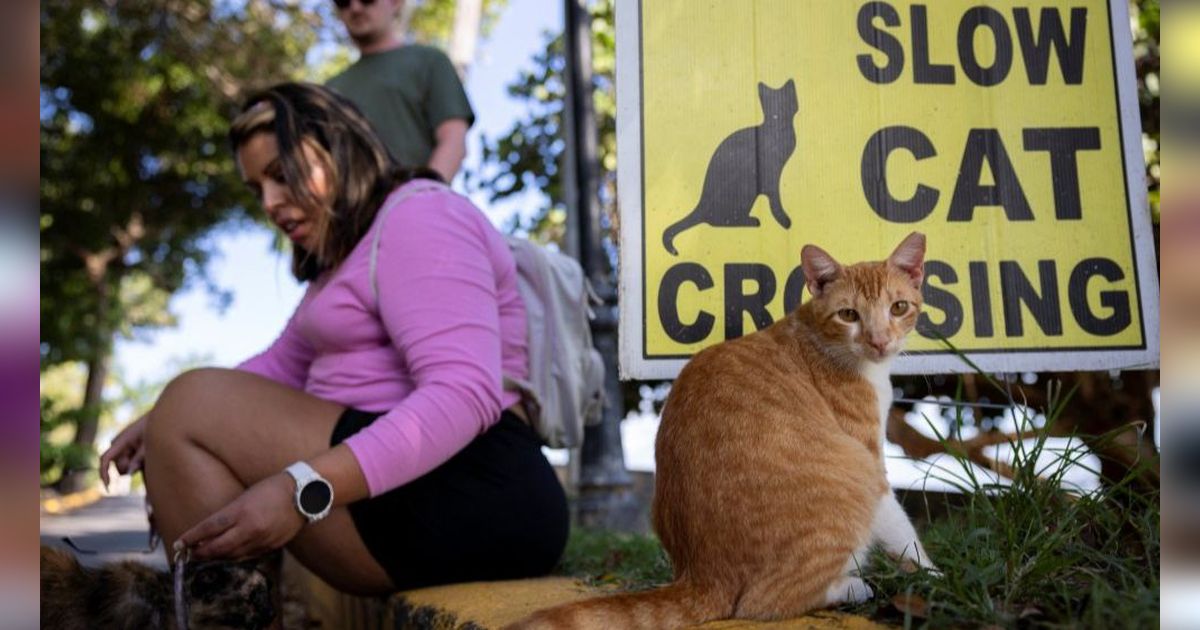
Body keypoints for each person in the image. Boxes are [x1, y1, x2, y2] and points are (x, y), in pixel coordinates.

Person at [98, 82, 568, 596]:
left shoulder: (420, 215)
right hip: (412, 490)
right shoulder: (344, 258)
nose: (271, 204)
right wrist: (158, 421)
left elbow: (464, 392)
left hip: (478, 490)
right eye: (258, 189)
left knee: (189, 403)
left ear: (338, 148)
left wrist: (302, 489)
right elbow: (280, 367)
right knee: (182, 405)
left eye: (282, 175)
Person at [327, 0, 473, 182]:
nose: (355, 8)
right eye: (344, 2)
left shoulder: (429, 61)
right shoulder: (329, 90)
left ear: (395, 3)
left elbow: (453, 140)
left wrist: (423, 198)